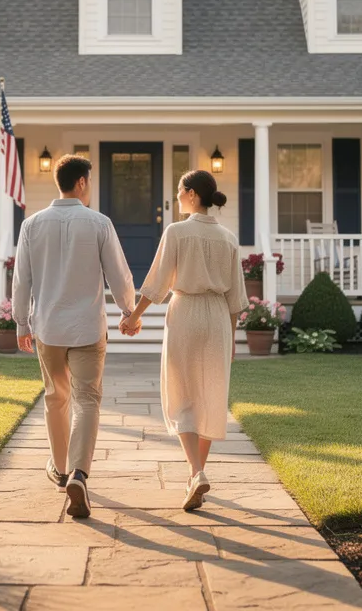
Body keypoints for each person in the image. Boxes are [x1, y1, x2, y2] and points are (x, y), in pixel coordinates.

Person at [12, 154, 135, 519]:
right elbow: (118, 273)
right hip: (87, 328)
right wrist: (129, 310)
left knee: (55, 397)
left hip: (48, 328)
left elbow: (22, 280)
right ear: (81, 182)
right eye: (90, 182)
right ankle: (79, 473)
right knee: (88, 400)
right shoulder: (99, 223)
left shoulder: (32, 225)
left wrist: (21, 323)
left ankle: (62, 470)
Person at [120, 170, 248, 511]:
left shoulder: (176, 232)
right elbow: (236, 297)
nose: (176, 197)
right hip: (219, 317)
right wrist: (232, 338)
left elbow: (157, 282)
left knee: (181, 394)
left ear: (191, 194)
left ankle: (195, 471)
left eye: (179, 191)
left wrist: (134, 316)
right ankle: (199, 471)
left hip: (186, 313)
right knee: (211, 395)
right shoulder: (229, 238)